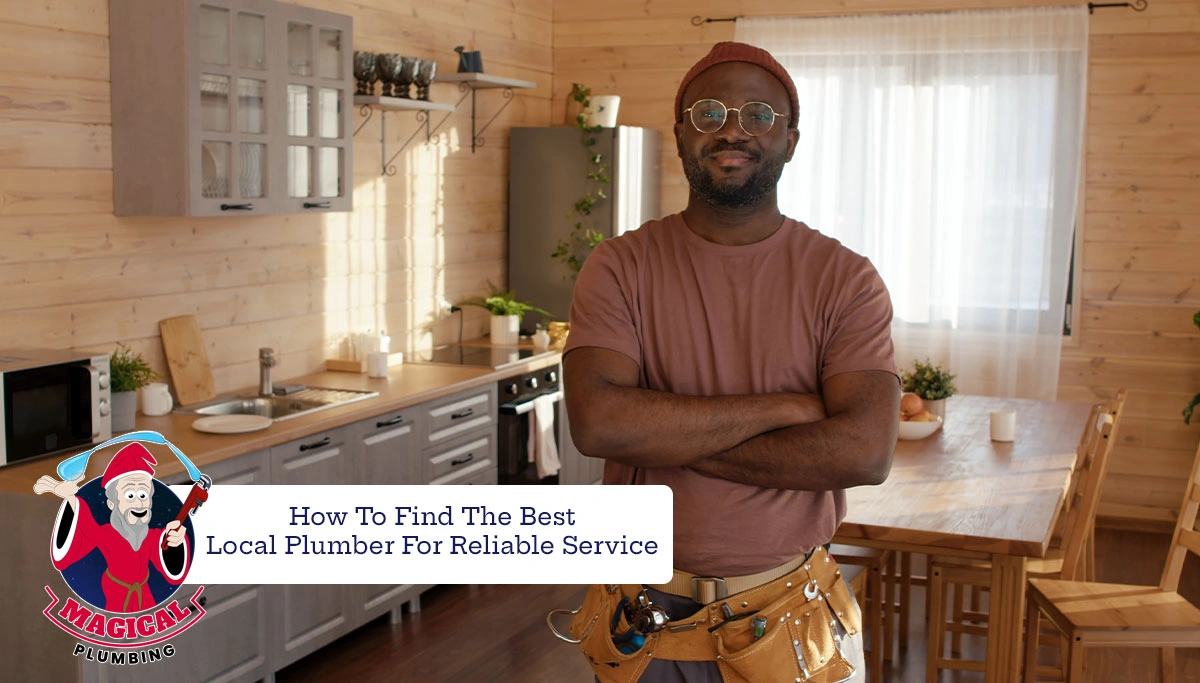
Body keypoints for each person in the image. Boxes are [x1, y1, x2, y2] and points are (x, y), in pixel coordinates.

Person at [562, 41, 900, 682]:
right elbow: (598, 425)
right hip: (642, 623)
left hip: (787, 618)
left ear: (791, 139)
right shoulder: (620, 265)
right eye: (710, 113)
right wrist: (783, 410)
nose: (733, 130)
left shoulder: (845, 279)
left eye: (760, 115)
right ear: (682, 132)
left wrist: (662, 435)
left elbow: (863, 453)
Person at [35, 442, 190, 613]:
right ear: (112, 503)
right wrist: (71, 498)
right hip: (118, 596)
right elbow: (87, 526)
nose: (139, 503)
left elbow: (166, 553)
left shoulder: (151, 535)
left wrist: (175, 543)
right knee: (119, 636)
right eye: (130, 495)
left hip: (145, 597)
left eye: (143, 494)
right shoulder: (107, 534)